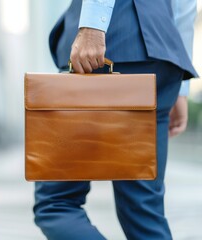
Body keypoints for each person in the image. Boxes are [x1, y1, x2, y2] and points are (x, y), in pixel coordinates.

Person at [33, 0, 198, 239]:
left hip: (111, 48)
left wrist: (92, 27)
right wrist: (181, 88)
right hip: (163, 57)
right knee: (144, 212)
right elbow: (185, 5)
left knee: (56, 204)